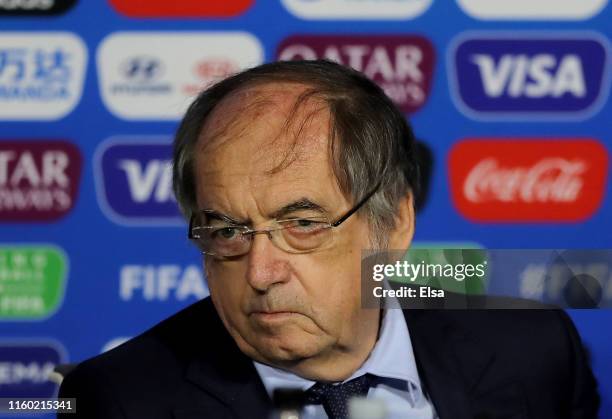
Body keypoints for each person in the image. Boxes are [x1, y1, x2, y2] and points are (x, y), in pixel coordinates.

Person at [58, 60, 599, 419]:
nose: (260, 273)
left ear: (395, 222)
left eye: (302, 223)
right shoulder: (121, 400)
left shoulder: (534, 350)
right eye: (227, 230)